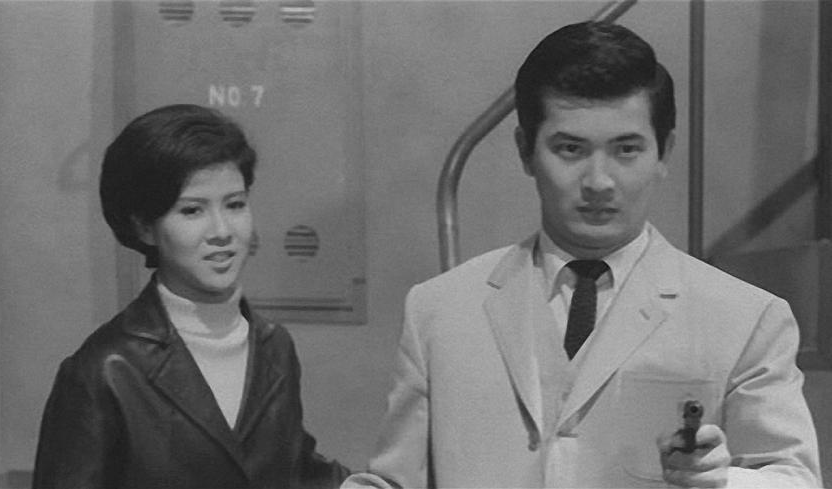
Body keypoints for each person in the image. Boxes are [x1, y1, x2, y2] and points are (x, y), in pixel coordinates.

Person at [344, 21, 821, 488]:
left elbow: (793, 478)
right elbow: (394, 479)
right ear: (526, 152)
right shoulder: (440, 310)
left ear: (664, 153)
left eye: (626, 150)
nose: (598, 181)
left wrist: (723, 480)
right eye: (571, 149)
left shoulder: (745, 318)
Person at [33, 104, 350, 489]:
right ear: (144, 227)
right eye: (192, 211)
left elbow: (295, 470)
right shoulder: (105, 370)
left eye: (235, 205)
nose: (222, 231)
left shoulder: (274, 347)